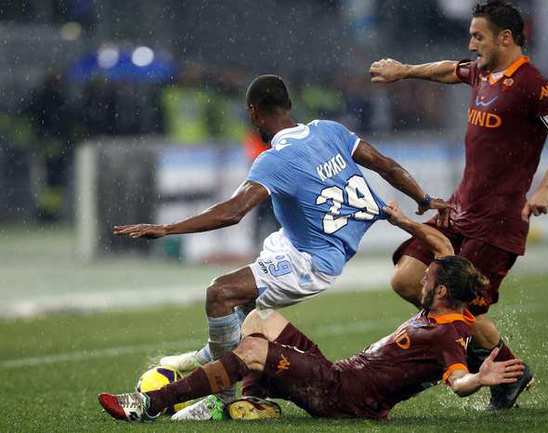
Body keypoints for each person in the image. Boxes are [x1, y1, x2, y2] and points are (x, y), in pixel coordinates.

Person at [113, 75, 447, 401]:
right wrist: (424, 199)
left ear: (253, 112)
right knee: (241, 313)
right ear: (288, 105)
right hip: (293, 241)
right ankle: (222, 370)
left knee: (220, 293)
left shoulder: (274, 160)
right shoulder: (329, 130)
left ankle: (221, 400)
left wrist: (168, 229)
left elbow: (233, 212)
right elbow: (385, 165)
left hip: (311, 260)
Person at [99, 202, 525, 422]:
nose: (421, 280)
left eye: (428, 278)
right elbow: (443, 246)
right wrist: (400, 220)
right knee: (260, 319)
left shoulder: (448, 335)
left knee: (252, 349)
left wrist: (479, 378)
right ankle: (251, 398)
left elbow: (458, 382)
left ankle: (150, 404)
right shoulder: (447, 304)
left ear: (442, 290)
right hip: (340, 375)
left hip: (346, 398)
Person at [368, 0, 548, 409]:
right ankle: (501, 364)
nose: (470, 44)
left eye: (477, 36)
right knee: (406, 280)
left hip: (496, 224)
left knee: (455, 306)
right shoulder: (482, 71)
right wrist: (404, 71)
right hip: (458, 210)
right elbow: (449, 70)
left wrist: (547, 188)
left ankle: (501, 373)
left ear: (505, 38)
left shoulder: (531, 84)